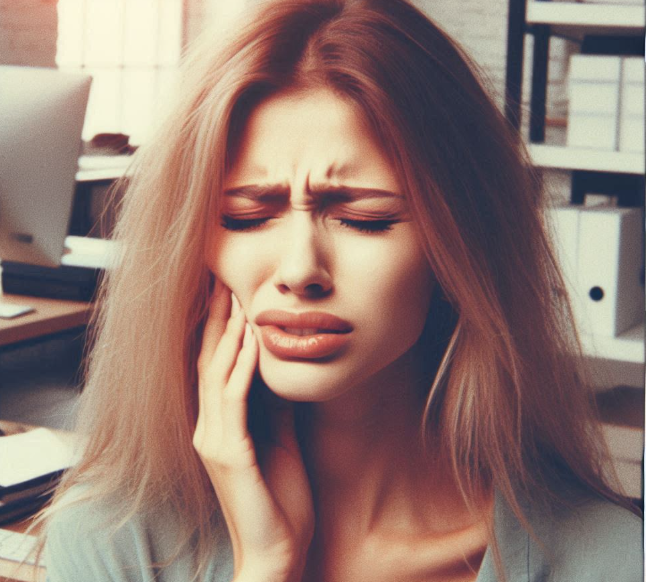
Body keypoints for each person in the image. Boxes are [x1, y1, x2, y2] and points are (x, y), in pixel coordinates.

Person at [39, 0, 642, 581]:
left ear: (461, 245)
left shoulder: (611, 562)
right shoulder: (109, 541)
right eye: (248, 216)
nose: (301, 269)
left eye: (364, 218)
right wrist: (266, 570)